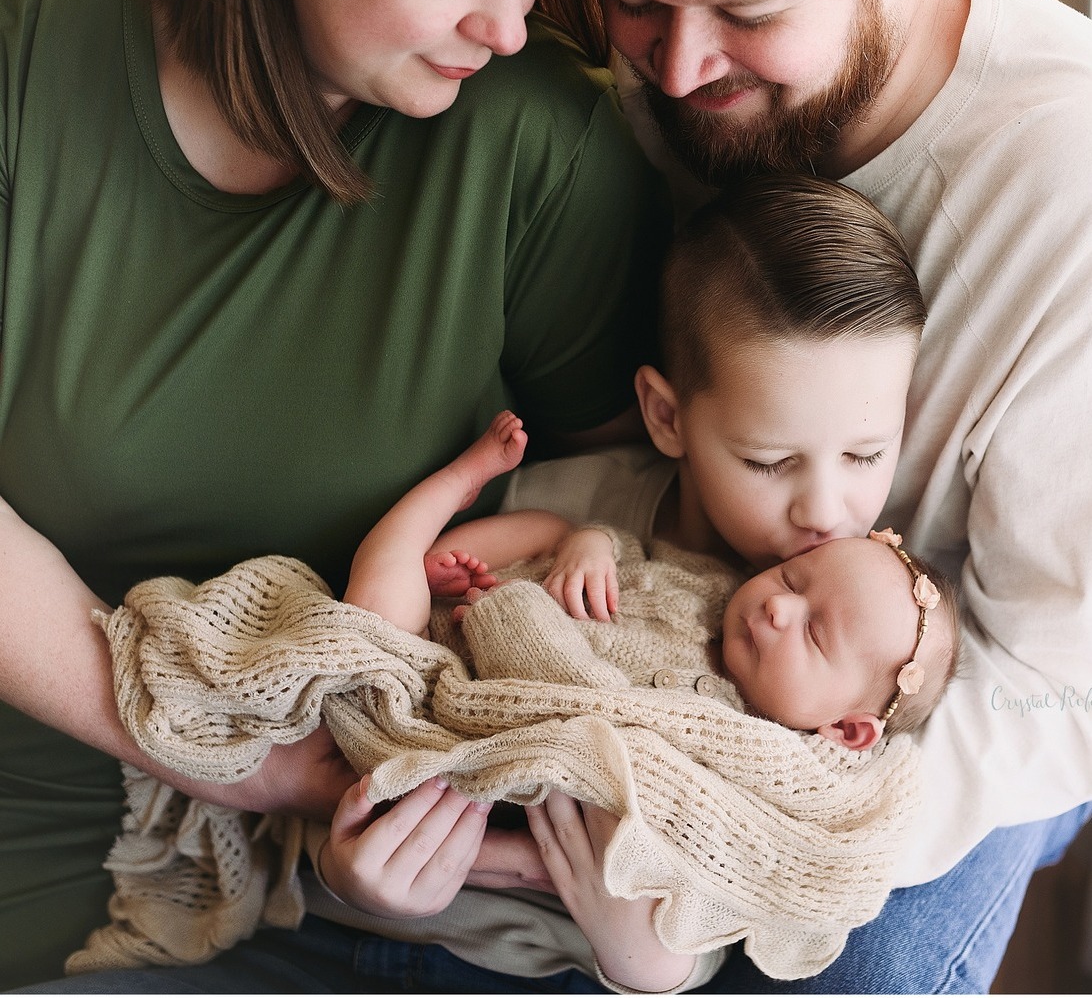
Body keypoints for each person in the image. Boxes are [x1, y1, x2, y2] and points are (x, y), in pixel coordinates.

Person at [0, 0, 670, 988]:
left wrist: (403, 783)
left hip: (380, 847)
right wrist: (235, 762)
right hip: (56, 797)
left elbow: (620, 527)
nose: (507, 25)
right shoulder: (25, 68)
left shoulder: (537, 146)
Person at [53, 174, 952, 994]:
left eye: (868, 455)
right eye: (768, 460)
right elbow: (409, 629)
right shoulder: (585, 501)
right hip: (336, 903)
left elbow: (697, 919)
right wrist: (343, 858)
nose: (822, 509)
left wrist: (615, 928)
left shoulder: (830, 685)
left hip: (531, 964)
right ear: (667, 416)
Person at [564, 0, 1092, 994]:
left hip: (961, 692)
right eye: (634, 4)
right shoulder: (651, 87)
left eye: (747, 14)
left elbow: (1052, 690)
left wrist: (729, 847)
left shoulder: (1064, 191)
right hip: (688, 617)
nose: (678, 72)